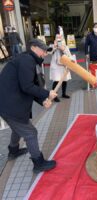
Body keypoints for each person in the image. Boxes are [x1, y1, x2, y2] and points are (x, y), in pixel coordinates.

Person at [0, 38, 57, 173]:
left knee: (18, 128)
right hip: (10, 106)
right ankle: (38, 163)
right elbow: (27, 86)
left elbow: (28, 86)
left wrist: (43, 100)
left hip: (8, 104)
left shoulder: (26, 59)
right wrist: (47, 93)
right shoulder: (27, 61)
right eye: (43, 50)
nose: (45, 54)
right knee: (31, 133)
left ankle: (13, 151)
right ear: (33, 48)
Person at [50, 34, 73, 102]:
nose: (59, 39)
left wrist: (63, 49)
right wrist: (54, 46)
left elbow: (69, 54)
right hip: (56, 66)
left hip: (64, 65)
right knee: (56, 81)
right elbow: (49, 52)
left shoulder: (65, 46)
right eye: (57, 38)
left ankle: (64, 94)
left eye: (60, 38)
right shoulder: (52, 45)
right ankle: (54, 95)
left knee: (64, 80)